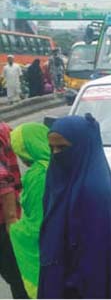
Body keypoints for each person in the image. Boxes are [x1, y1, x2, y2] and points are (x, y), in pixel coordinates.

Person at [38, 115, 111, 299]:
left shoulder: (93, 189)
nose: (56, 154)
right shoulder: (59, 177)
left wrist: (69, 285)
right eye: (52, 148)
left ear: (83, 147)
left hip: (76, 286)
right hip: (57, 271)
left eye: (62, 147)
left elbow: (93, 255)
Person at [9, 123, 50, 299]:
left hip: (46, 247)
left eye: (21, 152)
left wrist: (15, 229)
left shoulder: (38, 175)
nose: (21, 159)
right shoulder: (60, 164)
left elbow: (37, 222)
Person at [0, 123, 28, 299]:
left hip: (3, 221)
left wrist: (11, 221)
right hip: (9, 217)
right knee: (17, 277)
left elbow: (2, 179)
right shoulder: (4, 128)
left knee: (16, 278)